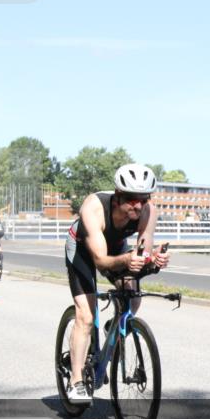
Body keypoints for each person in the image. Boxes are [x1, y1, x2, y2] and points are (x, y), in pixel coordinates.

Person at [63, 163, 170, 405]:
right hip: (82, 249)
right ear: (118, 195)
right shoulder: (93, 207)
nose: (138, 206)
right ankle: (76, 381)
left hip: (116, 247)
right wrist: (127, 259)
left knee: (133, 299)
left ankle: (113, 326)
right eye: (132, 199)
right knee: (86, 316)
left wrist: (154, 260)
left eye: (144, 199)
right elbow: (101, 261)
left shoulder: (147, 211)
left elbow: (142, 252)